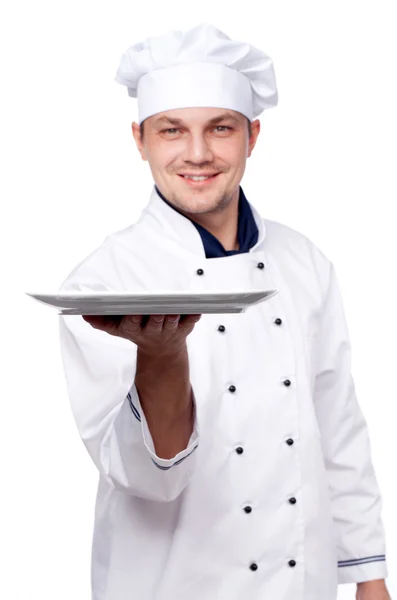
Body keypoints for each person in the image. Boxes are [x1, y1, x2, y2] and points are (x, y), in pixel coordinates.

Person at [58, 23, 391, 600]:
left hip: (300, 582)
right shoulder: (105, 280)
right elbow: (140, 477)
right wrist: (162, 359)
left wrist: (368, 575)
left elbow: (338, 426)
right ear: (139, 139)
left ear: (252, 135)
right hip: (169, 584)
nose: (197, 154)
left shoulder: (303, 262)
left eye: (220, 128)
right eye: (171, 130)